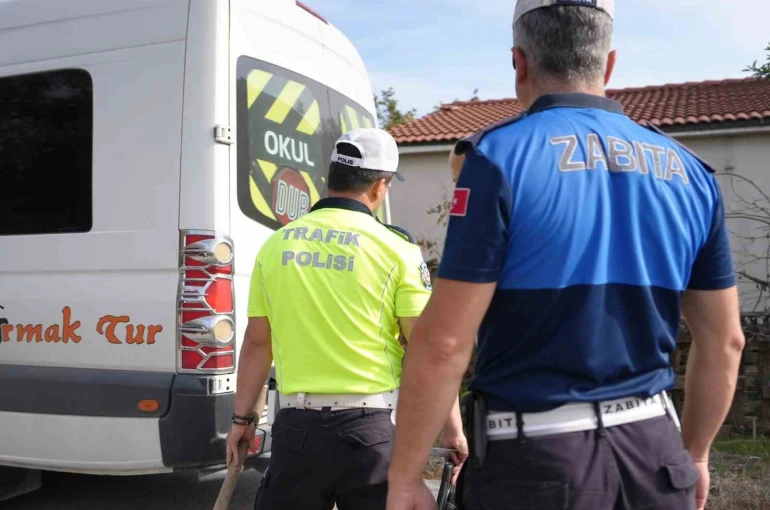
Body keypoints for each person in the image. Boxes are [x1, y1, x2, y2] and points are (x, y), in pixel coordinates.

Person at [386, 1, 745, 510]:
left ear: (519, 62)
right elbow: (726, 341)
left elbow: (444, 342)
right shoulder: (691, 172)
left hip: (536, 462)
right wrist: (698, 456)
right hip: (657, 458)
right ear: (609, 63)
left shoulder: (496, 158)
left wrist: (404, 477)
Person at [225, 127, 467, 510]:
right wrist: (452, 429)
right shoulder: (396, 249)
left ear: (331, 177)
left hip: (296, 429)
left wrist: (242, 421)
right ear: (380, 185)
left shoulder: (276, 245)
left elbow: (258, 342)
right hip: (371, 431)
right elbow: (427, 350)